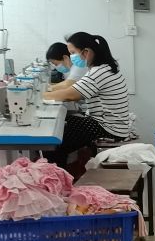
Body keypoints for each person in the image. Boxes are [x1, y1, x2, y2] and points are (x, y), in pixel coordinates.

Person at [42, 31, 132, 168]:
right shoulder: (104, 68)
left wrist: (38, 97)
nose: (72, 57)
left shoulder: (98, 72)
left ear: (86, 52)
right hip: (110, 124)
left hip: (108, 129)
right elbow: (72, 90)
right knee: (63, 123)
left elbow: (70, 94)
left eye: (73, 53)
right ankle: (61, 172)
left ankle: (59, 176)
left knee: (54, 140)